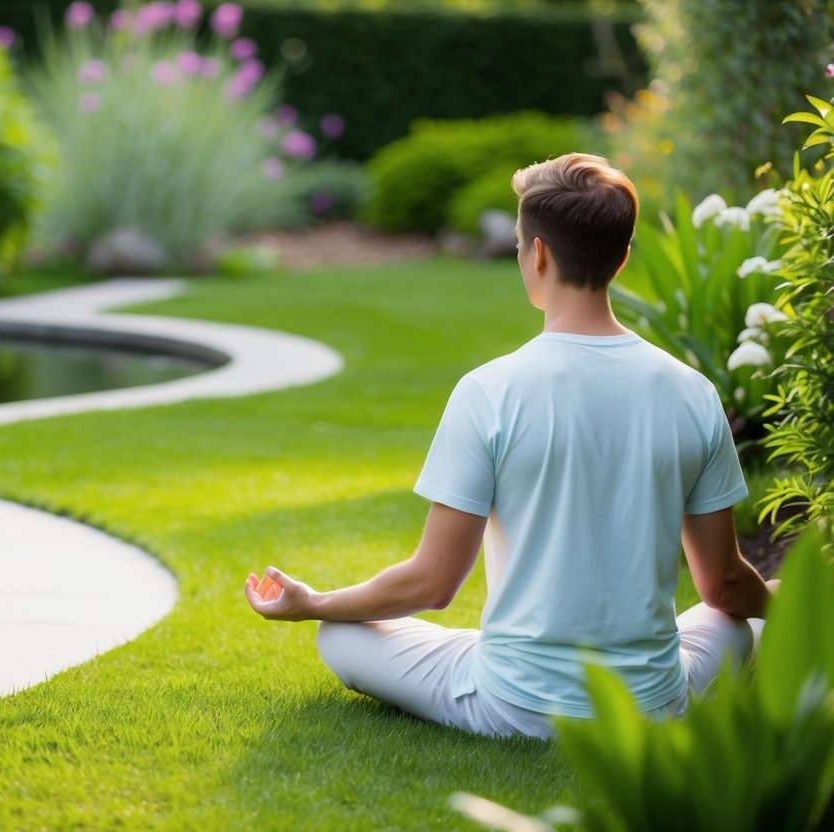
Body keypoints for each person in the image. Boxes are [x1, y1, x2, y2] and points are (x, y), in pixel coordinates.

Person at [244, 153, 775, 739]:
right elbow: (723, 584)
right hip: (650, 706)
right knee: (740, 622)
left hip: (514, 705)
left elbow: (432, 584)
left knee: (340, 633)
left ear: (538, 253)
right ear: (621, 259)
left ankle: (501, 656)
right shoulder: (693, 393)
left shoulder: (488, 392)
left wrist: (313, 603)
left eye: (522, 245)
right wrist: (785, 604)